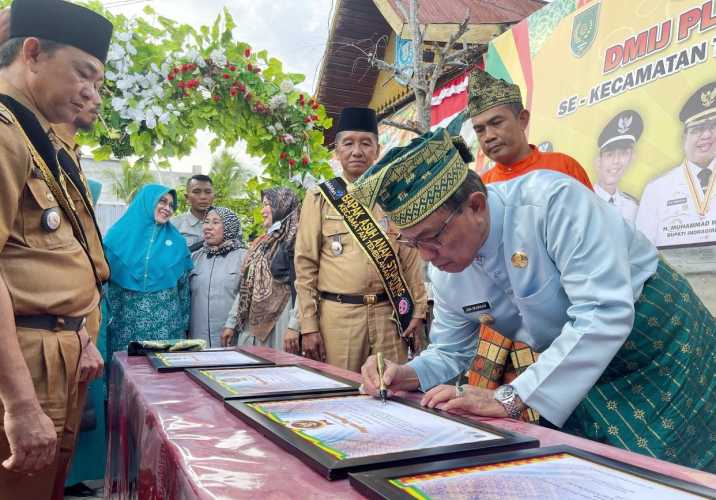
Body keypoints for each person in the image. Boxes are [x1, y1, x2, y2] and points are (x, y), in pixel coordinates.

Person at [354, 127, 715, 471]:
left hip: (659, 342)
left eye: (431, 237)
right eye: (411, 243)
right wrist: (409, 374)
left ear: (476, 206)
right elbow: (450, 350)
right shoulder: (446, 271)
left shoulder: (552, 203)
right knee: (603, 470)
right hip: (578, 366)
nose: (427, 256)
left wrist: (510, 398)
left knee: (684, 469)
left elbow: (603, 311)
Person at [0, 1, 112, 497]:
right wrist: (20, 405)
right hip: (23, 367)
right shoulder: (5, 134)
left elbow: (56, 253)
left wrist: (80, 331)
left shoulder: (31, 136)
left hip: (55, 356)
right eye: (84, 74)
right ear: (32, 53)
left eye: (99, 83)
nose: (91, 92)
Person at [465, 69, 594, 422]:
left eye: (496, 123)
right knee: (495, 417)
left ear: (522, 119)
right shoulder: (479, 186)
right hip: (499, 323)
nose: (488, 136)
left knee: (558, 414)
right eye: (479, 129)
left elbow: (588, 247)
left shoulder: (563, 169)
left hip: (559, 316)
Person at [294, 107, 428, 372]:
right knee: (341, 394)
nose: (357, 151)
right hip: (338, 318)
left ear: (377, 150)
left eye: (366, 143)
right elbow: (305, 265)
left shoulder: (394, 197)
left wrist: (419, 310)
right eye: (349, 143)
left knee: (393, 392)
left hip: (389, 316)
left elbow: (411, 259)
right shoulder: (320, 198)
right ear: (338, 151)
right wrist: (308, 325)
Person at [104, 184, 192, 361]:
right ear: (146, 202)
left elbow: (184, 291)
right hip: (126, 325)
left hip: (167, 327)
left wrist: (184, 326)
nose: (167, 208)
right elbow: (103, 286)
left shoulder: (177, 242)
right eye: (162, 201)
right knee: (127, 375)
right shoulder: (115, 237)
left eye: (171, 205)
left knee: (164, 381)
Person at [636, 81, 716, 248]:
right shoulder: (656, 189)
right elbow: (642, 250)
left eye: (713, 126)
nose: (707, 135)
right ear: (683, 139)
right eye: (698, 128)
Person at [223, 188, 299, 349]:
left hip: (282, 322)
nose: (262, 210)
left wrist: (294, 326)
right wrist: (231, 322)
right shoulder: (261, 243)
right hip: (253, 322)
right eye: (263, 205)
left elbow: (303, 287)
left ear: (282, 207)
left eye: (268, 205)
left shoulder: (295, 242)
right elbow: (246, 284)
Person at [189, 206, 247, 347]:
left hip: (230, 338)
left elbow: (246, 294)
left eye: (215, 222)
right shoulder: (194, 257)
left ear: (229, 226)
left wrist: (231, 325)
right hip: (198, 341)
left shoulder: (245, 257)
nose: (208, 227)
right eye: (206, 222)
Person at [594, 110, 642, 223]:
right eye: (609, 154)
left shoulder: (633, 208)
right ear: (598, 162)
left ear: (631, 158)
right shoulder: (581, 203)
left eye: (623, 153)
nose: (616, 161)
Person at [173, 174, 215, 250]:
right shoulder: (173, 225)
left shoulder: (226, 224)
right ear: (187, 198)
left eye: (208, 192)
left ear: (214, 196)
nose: (203, 197)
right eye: (196, 192)